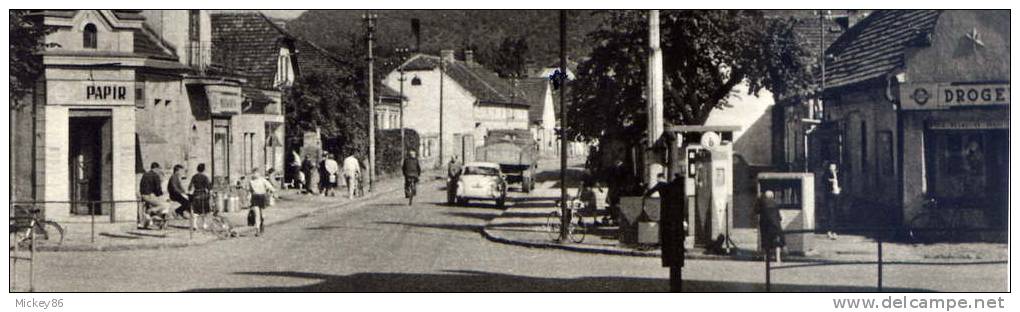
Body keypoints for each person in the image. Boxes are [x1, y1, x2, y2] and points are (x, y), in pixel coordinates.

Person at [644, 173, 687, 292]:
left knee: (671, 258)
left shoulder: (663, 187)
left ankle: (674, 287)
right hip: (677, 229)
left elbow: (648, 194)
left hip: (667, 227)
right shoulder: (680, 192)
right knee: (677, 261)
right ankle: (677, 286)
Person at [755, 190, 784, 263]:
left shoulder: (762, 203)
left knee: (766, 242)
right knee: (777, 242)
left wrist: (758, 199)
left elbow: (756, 211)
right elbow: (779, 217)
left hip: (765, 226)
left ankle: (766, 259)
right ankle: (778, 258)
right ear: (772, 196)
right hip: (775, 226)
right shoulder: (775, 203)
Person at [138, 162, 169, 230]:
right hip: (150, 195)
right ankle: (151, 212)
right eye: (158, 169)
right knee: (164, 205)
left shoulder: (145, 174)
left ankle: (145, 223)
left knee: (154, 206)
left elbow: (141, 185)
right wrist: (160, 194)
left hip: (143, 195)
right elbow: (158, 188)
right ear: (156, 168)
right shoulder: (155, 175)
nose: (159, 170)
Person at [247, 168, 276, 237]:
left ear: (259, 174)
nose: (255, 175)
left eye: (256, 173)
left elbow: (270, 187)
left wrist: (273, 192)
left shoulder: (262, 180)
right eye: (253, 173)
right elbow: (250, 191)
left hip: (262, 197)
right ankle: (257, 230)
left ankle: (262, 224)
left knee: (262, 214)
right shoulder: (251, 181)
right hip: (255, 198)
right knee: (257, 214)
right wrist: (248, 198)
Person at [188, 163, 212, 230]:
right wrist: (210, 193)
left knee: (196, 211)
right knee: (204, 210)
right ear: (203, 169)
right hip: (203, 195)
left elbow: (190, 186)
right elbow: (209, 187)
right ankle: (204, 225)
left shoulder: (194, 176)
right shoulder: (205, 177)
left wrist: (190, 192)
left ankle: (195, 225)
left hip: (196, 194)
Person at [823, 162, 841, 239]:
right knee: (830, 212)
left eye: (833, 167)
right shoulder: (826, 175)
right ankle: (829, 231)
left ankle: (835, 231)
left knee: (836, 212)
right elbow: (824, 181)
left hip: (836, 194)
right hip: (829, 195)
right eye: (831, 167)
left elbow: (840, 182)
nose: (832, 169)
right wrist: (830, 181)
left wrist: (840, 188)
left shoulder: (838, 174)